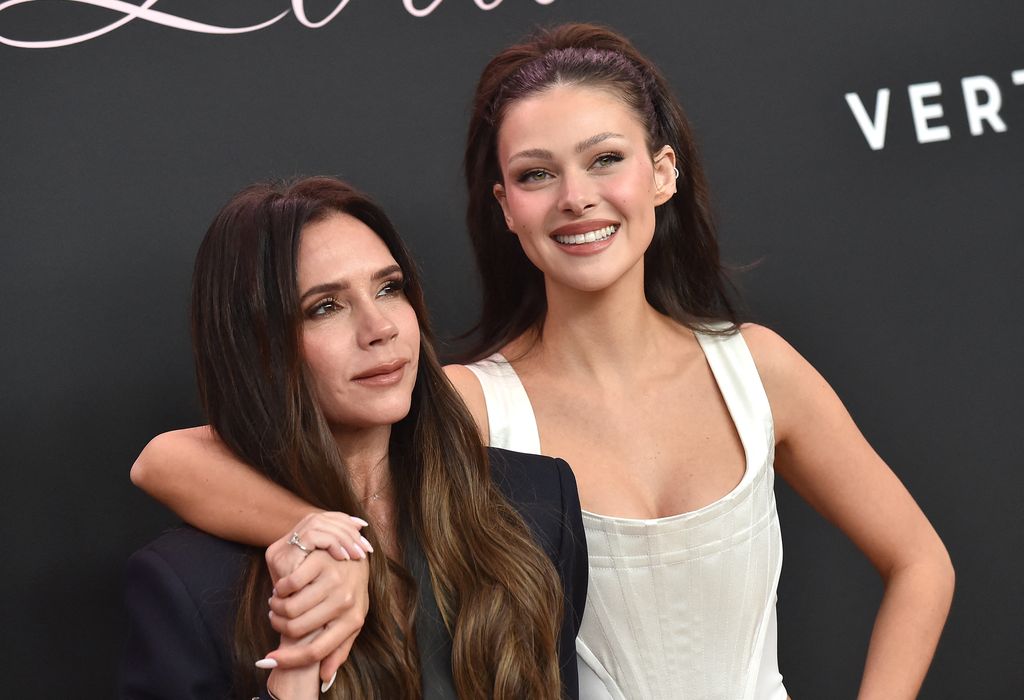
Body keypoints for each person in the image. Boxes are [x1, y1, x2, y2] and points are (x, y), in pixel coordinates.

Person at [130, 24, 955, 700]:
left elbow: (920, 562)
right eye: (536, 174)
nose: (576, 198)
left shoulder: (756, 369)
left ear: (662, 172)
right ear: (506, 207)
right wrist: (307, 533)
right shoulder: (467, 403)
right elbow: (169, 459)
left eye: (605, 159)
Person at [120, 177, 587, 700]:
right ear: (260, 349)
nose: (379, 327)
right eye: (325, 307)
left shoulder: (540, 504)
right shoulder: (188, 580)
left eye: (389, 288)